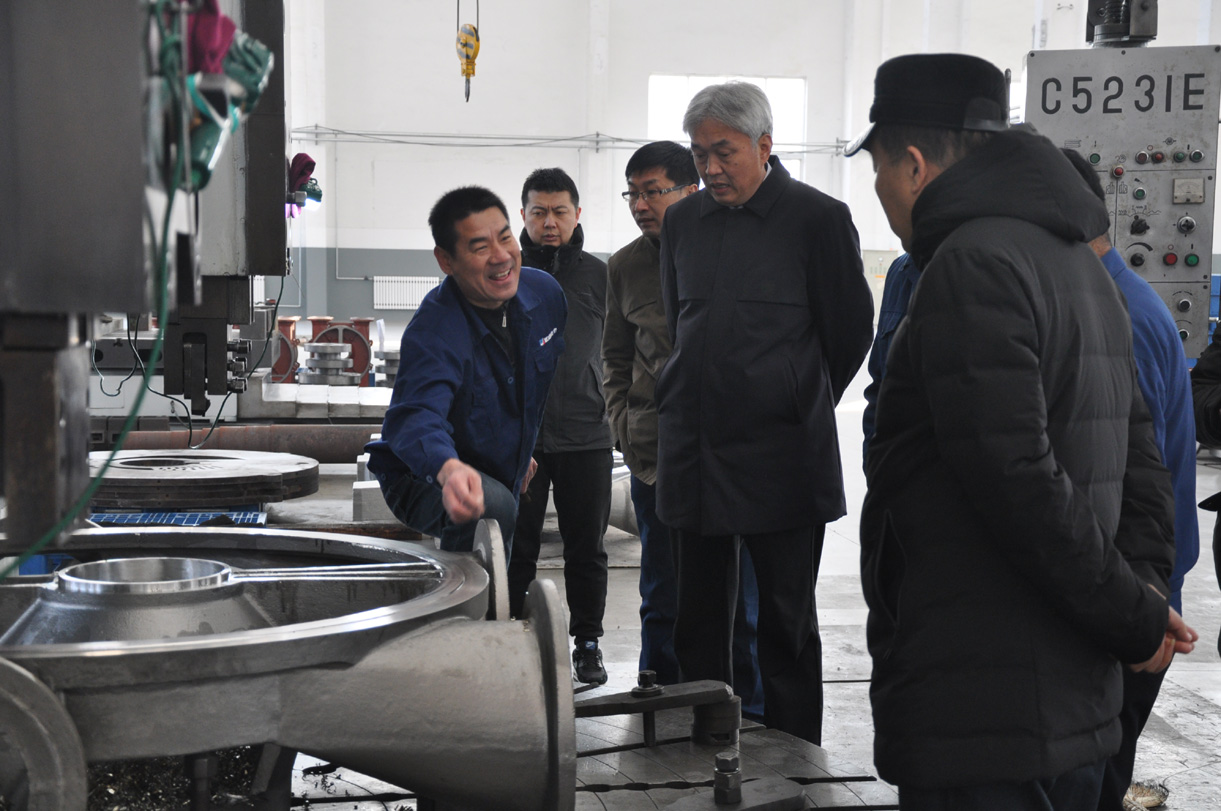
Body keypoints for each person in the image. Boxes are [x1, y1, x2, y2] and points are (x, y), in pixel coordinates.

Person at [848, 53, 1197, 809]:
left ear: (913, 165)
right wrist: (1140, 589)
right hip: (1069, 698)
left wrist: (1134, 617)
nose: (877, 191)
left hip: (984, 707)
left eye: (876, 169)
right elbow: (1142, 461)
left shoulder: (970, 265)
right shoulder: (1078, 261)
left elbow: (1016, 481)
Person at [656, 82, 873, 745]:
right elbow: (677, 322)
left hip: (783, 454)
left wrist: (793, 395)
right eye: (699, 154)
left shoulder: (817, 219)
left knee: (785, 621)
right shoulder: (682, 224)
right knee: (697, 621)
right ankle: (705, 744)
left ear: (764, 145)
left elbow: (848, 333)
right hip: (696, 450)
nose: (710, 168)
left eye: (724, 152)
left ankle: (796, 753)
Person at [1055, 148, 1199, 811]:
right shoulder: (1117, 301)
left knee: (1089, 785)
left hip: (1127, 600)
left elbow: (1124, 487)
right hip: (1129, 595)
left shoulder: (1115, 315)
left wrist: (1129, 609)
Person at [603, 140, 764, 713]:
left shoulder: (725, 248)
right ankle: (660, 699)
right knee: (662, 592)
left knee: (740, 596)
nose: (640, 205)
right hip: (656, 457)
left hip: (729, 455)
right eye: (632, 194)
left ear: (691, 188)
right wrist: (624, 425)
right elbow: (614, 357)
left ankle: (746, 708)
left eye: (653, 191)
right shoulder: (625, 266)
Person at [366, 186, 566, 559]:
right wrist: (449, 469)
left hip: (494, 462)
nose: (501, 256)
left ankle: (494, 590)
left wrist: (519, 447)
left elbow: (531, 384)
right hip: (419, 474)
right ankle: (465, 593)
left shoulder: (546, 296)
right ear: (446, 260)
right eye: (480, 247)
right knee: (491, 505)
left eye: (505, 237)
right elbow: (416, 417)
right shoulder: (435, 330)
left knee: (505, 528)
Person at [507, 167, 613, 685]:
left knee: (586, 548)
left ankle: (587, 643)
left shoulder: (601, 275)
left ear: (577, 214)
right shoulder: (504, 272)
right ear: (523, 215)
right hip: (519, 436)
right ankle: (511, 638)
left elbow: (622, 349)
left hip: (586, 433)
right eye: (539, 212)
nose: (550, 222)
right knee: (517, 546)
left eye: (559, 212)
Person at [861, 252, 917, 453]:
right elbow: (878, 386)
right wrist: (871, 456)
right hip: (893, 460)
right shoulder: (899, 270)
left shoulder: (967, 267)